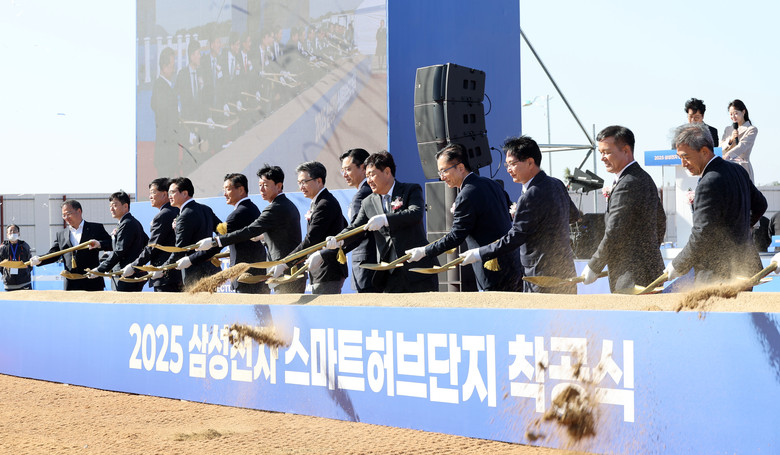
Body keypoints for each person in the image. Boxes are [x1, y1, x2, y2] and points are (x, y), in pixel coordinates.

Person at [454, 137, 578, 293]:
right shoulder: (556, 183)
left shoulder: (530, 196)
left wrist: (479, 253)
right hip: (565, 271)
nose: (508, 169)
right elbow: (573, 216)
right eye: (507, 165)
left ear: (530, 162)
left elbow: (514, 238)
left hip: (541, 277)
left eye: (512, 164)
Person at [405, 143, 523, 292]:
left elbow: (456, 236)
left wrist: (424, 251)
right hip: (513, 264)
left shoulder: (466, 194)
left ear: (460, 167)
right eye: (439, 172)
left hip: (491, 270)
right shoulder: (492, 184)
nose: (441, 177)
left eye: (444, 171)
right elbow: (508, 213)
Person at [666, 122, 767, 284]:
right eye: (680, 158)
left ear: (704, 152)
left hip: (717, 274)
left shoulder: (708, 181)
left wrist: (678, 265)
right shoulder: (737, 170)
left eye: (686, 157)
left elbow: (702, 233)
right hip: (745, 268)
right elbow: (761, 205)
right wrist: (741, 228)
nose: (683, 164)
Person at [327, 151, 438, 293]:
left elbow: (415, 213)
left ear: (387, 172)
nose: (369, 180)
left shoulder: (410, 190)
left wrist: (385, 219)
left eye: (372, 175)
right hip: (390, 273)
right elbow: (356, 227)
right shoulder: (368, 202)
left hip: (418, 269)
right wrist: (339, 239)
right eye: (367, 176)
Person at [580, 126, 666, 293]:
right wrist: (648, 251)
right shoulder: (643, 177)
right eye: (600, 153)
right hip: (648, 272)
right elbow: (661, 222)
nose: (602, 158)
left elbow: (615, 230)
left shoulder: (628, 183)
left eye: (607, 152)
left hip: (632, 277)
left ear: (626, 150)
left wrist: (595, 265)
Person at [196, 165, 305, 294]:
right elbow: (282, 233)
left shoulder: (276, 208)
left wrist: (215, 242)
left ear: (279, 186)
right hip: (284, 271)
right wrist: (264, 236)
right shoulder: (284, 204)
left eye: (265, 185)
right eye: (260, 185)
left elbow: (249, 231)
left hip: (285, 272)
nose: (261, 189)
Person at [278, 161, 348, 294]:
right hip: (322, 271)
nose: (301, 187)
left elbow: (311, 240)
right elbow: (343, 226)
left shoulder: (324, 204)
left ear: (319, 181)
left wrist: (285, 263)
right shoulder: (321, 202)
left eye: (304, 182)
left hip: (327, 271)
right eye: (299, 183)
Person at [30, 200, 111, 291]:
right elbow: (54, 254)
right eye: (63, 215)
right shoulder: (61, 234)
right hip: (71, 284)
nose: (66, 218)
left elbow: (111, 244)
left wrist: (99, 244)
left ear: (79, 211)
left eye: (68, 214)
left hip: (92, 282)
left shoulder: (95, 228)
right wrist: (40, 259)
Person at [126, 178, 182, 292]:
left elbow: (153, 246)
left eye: (153, 192)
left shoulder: (163, 215)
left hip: (165, 276)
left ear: (164, 194)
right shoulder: (177, 211)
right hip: (179, 274)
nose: (150, 197)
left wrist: (134, 266)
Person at [164, 177, 222, 287]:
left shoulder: (185, 215)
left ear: (185, 193)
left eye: (172, 192)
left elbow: (180, 249)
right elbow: (223, 233)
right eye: (169, 193)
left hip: (195, 273)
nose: (169, 196)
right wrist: (212, 249)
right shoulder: (205, 209)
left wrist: (163, 268)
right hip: (212, 269)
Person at [88, 191, 149, 292]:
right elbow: (130, 244)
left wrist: (100, 269)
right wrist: (100, 244)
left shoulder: (127, 224)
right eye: (110, 206)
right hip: (128, 275)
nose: (111, 209)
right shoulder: (131, 222)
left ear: (125, 206)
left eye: (115, 205)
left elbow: (119, 251)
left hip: (125, 276)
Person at [221, 173, 268, 294]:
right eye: (223, 190)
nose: (224, 194)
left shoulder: (237, 215)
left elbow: (222, 240)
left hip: (244, 278)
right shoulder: (252, 208)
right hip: (256, 276)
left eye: (228, 189)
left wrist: (193, 258)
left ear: (241, 190)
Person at [340, 148, 377, 292]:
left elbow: (357, 231)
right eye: (343, 170)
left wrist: (335, 247)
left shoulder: (363, 194)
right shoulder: (369, 191)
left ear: (363, 168)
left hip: (366, 264)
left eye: (348, 169)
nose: (344, 174)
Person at [150, 47, 180, 176]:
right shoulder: (161, 88)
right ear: (164, 67)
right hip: (166, 154)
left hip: (167, 152)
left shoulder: (162, 86)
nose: (174, 70)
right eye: (172, 66)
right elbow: (167, 121)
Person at [719, 99, 757, 182]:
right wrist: (731, 139)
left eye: (736, 113)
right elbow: (720, 148)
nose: (733, 116)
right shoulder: (728, 129)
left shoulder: (751, 129)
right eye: (731, 114)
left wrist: (727, 155)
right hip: (727, 167)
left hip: (742, 167)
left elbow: (743, 146)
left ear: (743, 112)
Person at [0, 224, 32, 291]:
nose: (12, 232)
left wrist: (26, 271)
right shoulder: (3, 247)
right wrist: (5, 273)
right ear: (7, 234)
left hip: (25, 282)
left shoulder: (24, 246)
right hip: (9, 284)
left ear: (18, 233)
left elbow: (30, 262)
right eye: (10, 231)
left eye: (15, 230)